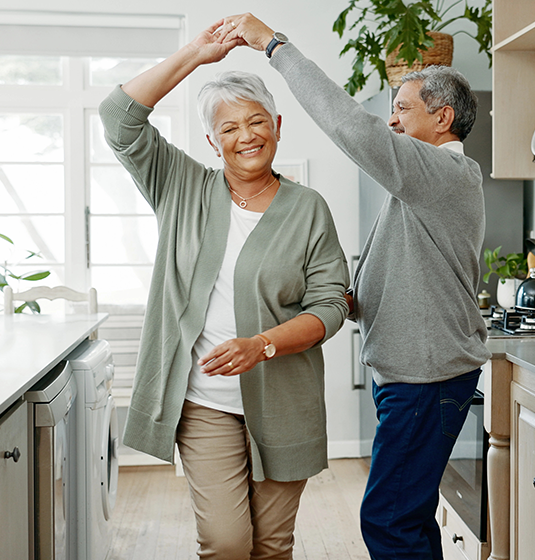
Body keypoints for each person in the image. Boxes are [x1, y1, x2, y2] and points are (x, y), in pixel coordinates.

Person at [225, 14, 491, 559]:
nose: (391, 122)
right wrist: (346, 300)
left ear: (443, 118)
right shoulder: (423, 186)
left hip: (425, 377)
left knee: (389, 520)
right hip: (416, 373)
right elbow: (408, 267)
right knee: (409, 516)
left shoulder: (440, 174)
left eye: (402, 109)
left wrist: (276, 45)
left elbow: (350, 125)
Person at [98, 20, 350, 560]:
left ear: (278, 126)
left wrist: (261, 345)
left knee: (273, 546)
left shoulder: (308, 209)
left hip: (286, 401)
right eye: (229, 127)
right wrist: (195, 54)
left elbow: (331, 305)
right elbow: (118, 119)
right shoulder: (181, 185)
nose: (246, 136)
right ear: (212, 141)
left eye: (256, 121)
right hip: (203, 402)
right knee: (227, 543)